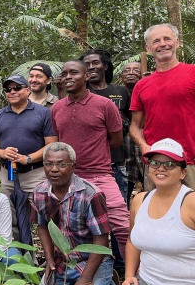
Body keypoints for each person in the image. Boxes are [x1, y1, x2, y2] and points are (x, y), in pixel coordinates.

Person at [107, 138, 195, 285]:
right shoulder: (140, 200)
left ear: (182, 172)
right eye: (155, 163)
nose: (161, 168)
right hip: (146, 283)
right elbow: (133, 241)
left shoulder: (190, 202)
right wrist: (129, 275)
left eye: (169, 164)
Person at [32, 142, 117, 285]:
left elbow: (101, 239)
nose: (54, 169)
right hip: (62, 262)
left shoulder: (90, 194)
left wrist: (86, 278)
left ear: (73, 166)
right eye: (48, 164)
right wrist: (49, 258)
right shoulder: (39, 192)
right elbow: (42, 226)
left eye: (62, 164)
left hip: (91, 261)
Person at [51, 60, 130, 260]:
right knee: (68, 229)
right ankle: (75, 272)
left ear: (86, 76)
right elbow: (57, 143)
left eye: (74, 72)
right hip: (69, 180)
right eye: (65, 73)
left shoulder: (105, 105)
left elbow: (116, 140)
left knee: (123, 226)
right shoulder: (57, 108)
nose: (68, 76)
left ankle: (133, 276)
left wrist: (95, 152)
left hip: (100, 175)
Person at [0, 74, 57, 242]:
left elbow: (52, 145)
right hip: (8, 173)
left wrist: (28, 158)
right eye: (8, 89)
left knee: (46, 216)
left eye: (17, 88)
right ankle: (21, 260)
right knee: (13, 217)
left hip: (36, 173)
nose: (12, 91)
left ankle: (53, 260)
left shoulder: (43, 113)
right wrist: (2, 153)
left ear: (27, 90)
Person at [129, 23, 195, 190]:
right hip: (156, 163)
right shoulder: (141, 85)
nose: (162, 44)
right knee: (157, 214)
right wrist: (144, 147)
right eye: (156, 41)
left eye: (167, 39)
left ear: (177, 42)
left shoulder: (192, 73)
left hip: (191, 162)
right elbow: (135, 126)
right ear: (149, 48)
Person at [80, 49, 131, 202]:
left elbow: (134, 122)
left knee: (119, 208)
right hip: (87, 165)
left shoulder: (121, 91)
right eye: (86, 64)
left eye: (95, 62)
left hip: (116, 161)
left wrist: (122, 122)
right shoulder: (80, 93)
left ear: (105, 66)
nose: (90, 67)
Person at [120, 62, 144, 201]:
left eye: (136, 70)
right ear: (121, 76)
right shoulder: (116, 94)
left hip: (143, 147)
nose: (131, 73)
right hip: (124, 151)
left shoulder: (149, 92)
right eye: (127, 70)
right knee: (124, 188)